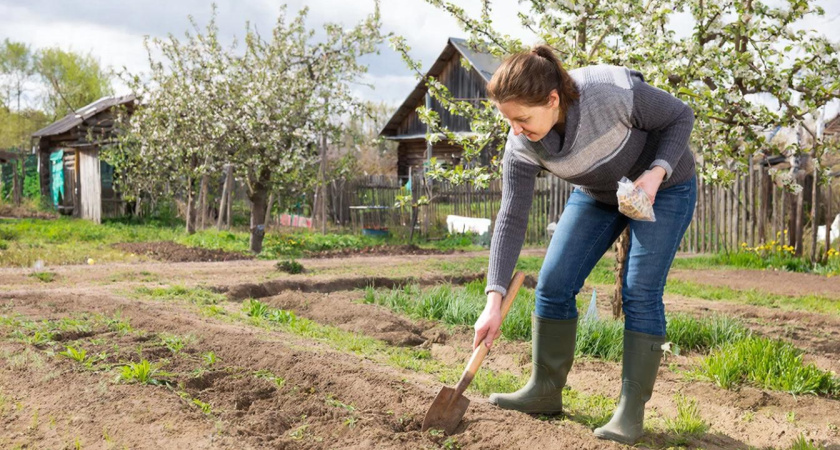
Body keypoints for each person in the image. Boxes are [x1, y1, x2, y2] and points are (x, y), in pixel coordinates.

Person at [473, 45, 697, 445]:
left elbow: (680, 115)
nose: (515, 130)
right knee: (554, 283)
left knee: (640, 291)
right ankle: (544, 390)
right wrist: (493, 300)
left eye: (522, 118)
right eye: (508, 120)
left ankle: (630, 411)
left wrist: (656, 172)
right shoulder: (521, 143)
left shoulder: (609, 91)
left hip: (664, 187)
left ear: (552, 100)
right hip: (599, 193)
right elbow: (511, 216)